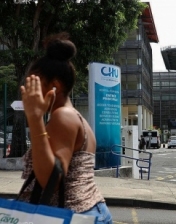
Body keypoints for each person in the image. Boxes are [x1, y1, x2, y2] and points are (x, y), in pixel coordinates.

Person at [18, 32, 112, 223]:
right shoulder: (68, 116)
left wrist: (35, 118)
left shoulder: (63, 117)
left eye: (33, 84)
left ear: (55, 86)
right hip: (85, 211)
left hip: (74, 216)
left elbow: (49, 180)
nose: (27, 91)